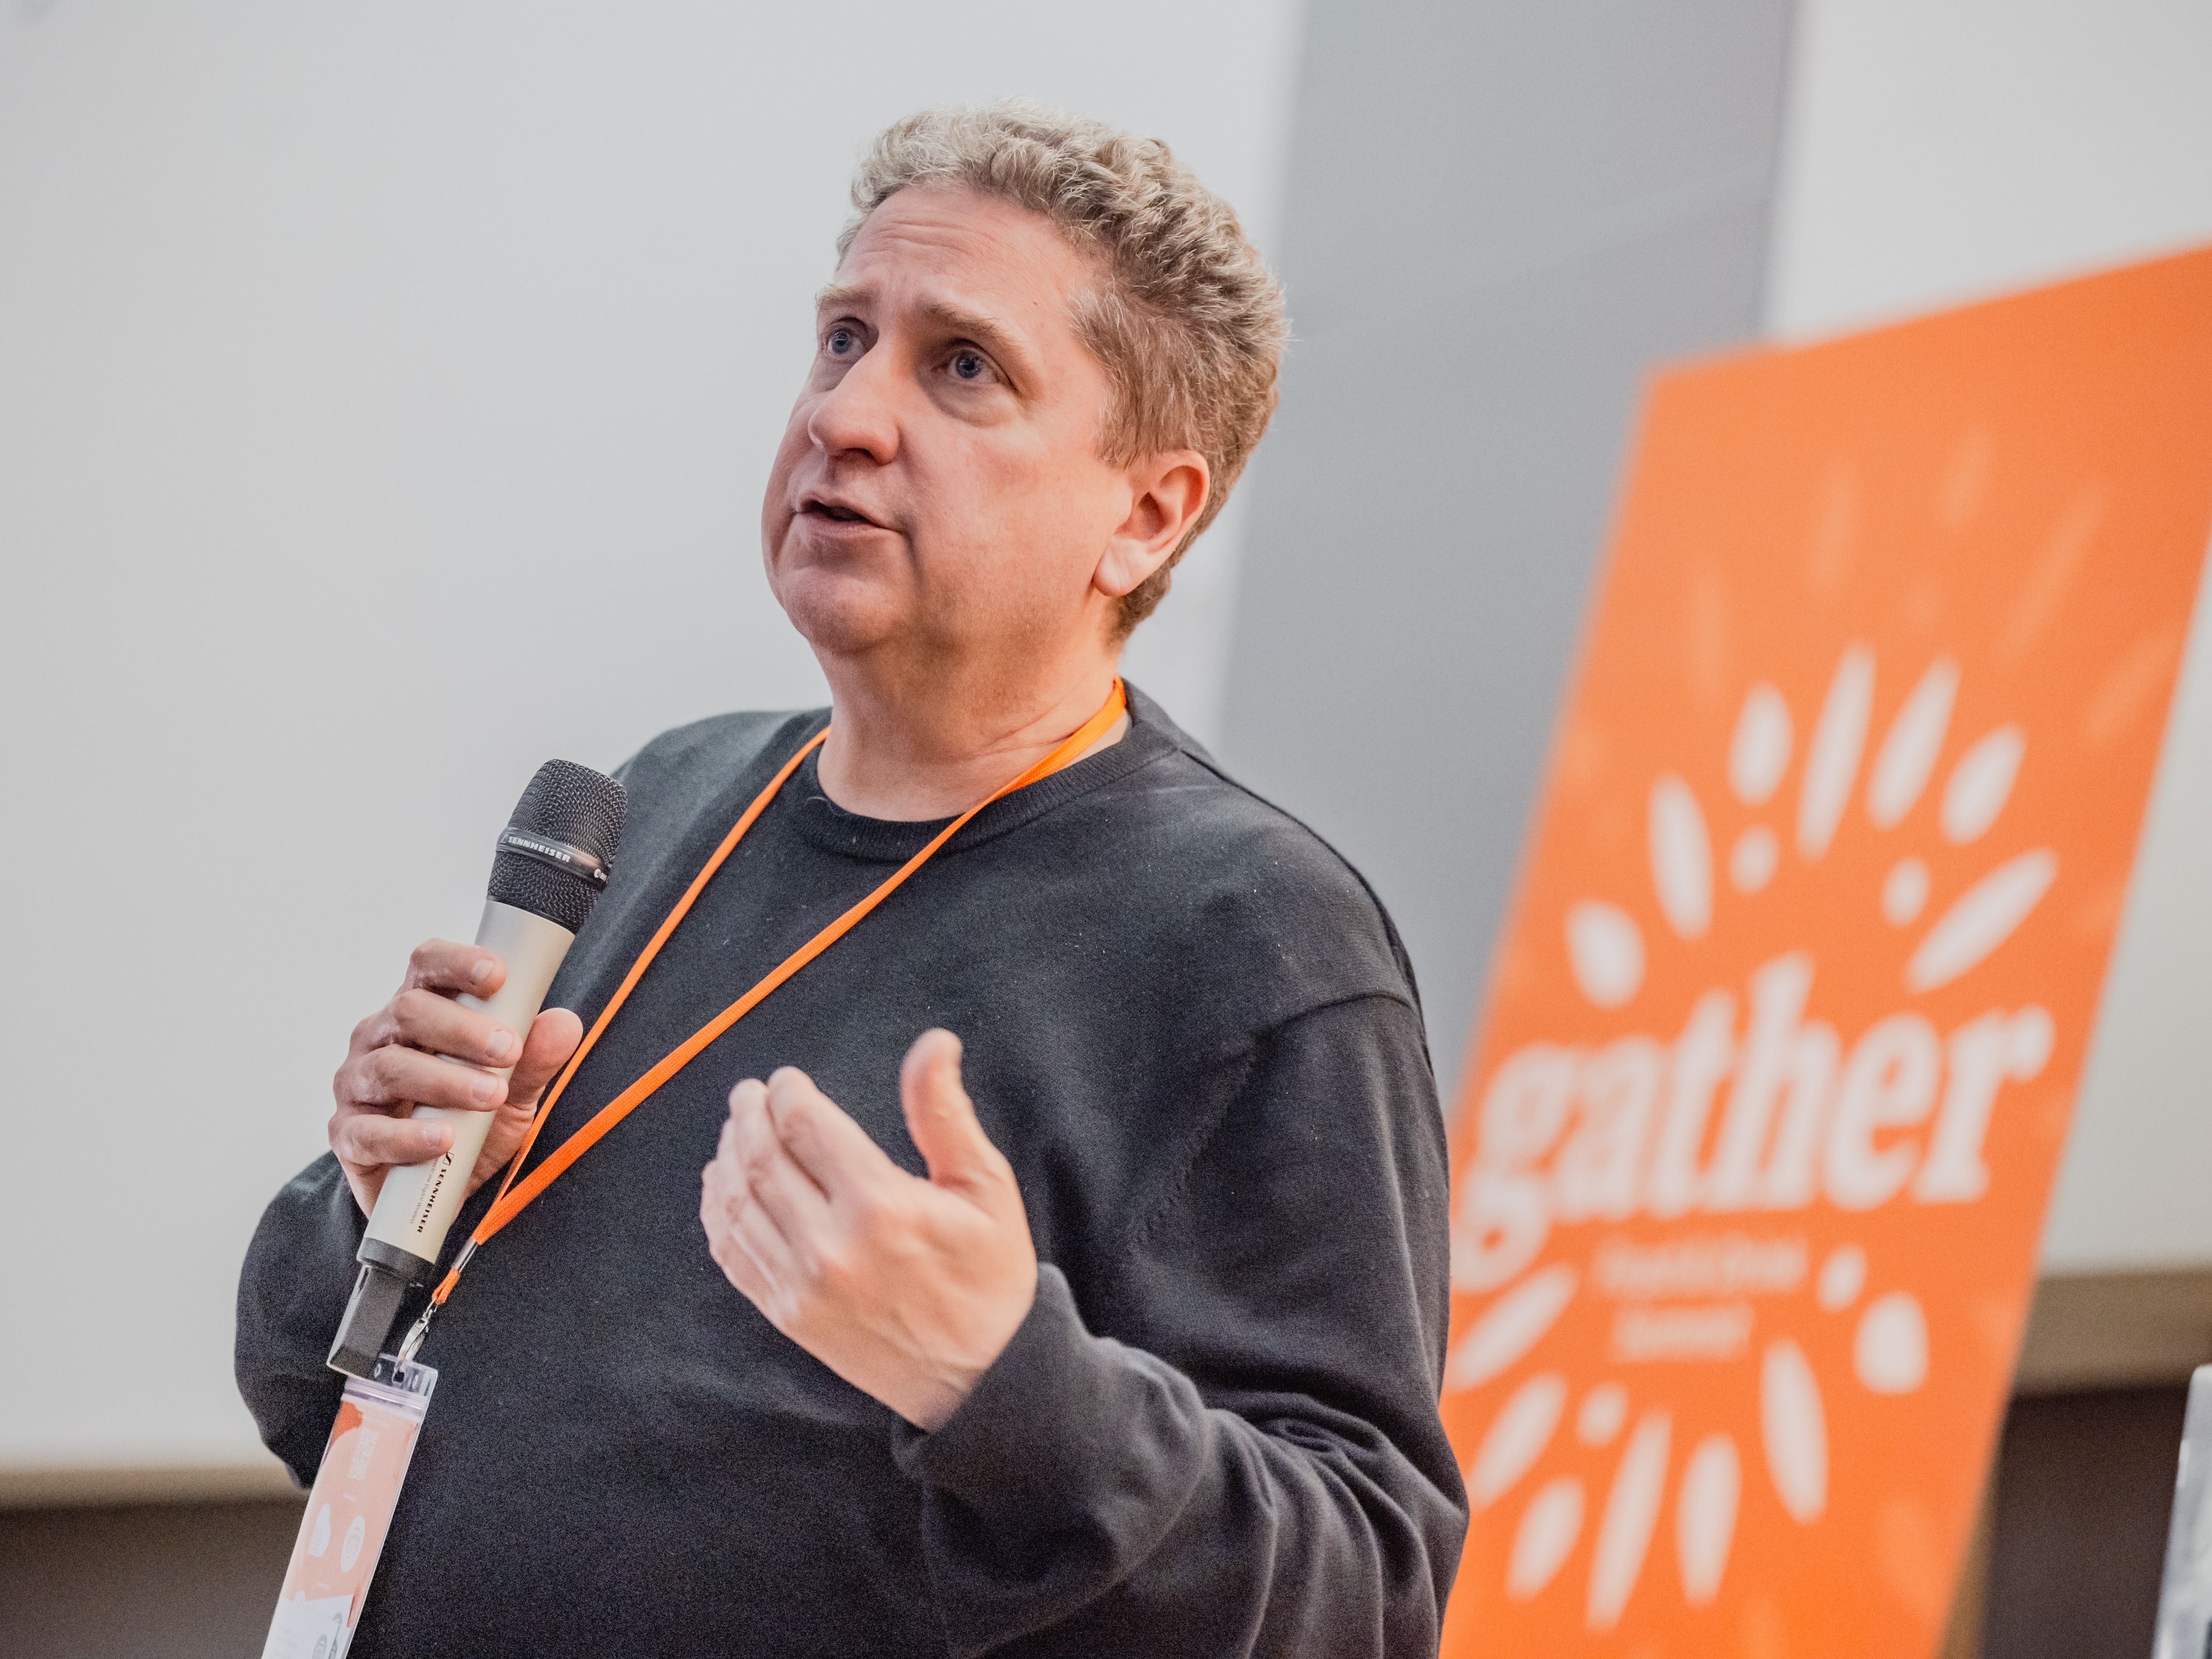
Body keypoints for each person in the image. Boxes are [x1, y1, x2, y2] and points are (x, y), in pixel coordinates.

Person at [238, 100, 1467, 1656]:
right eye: (841, 339)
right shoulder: (670, 798)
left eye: (963, 367)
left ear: (1145, 516)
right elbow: (311, 1394)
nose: (849, 415)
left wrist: (1002, 1383)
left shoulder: (1255, 938)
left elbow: (1364, 1593)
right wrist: (373, 1201)